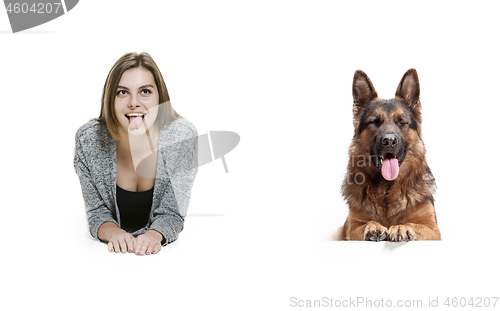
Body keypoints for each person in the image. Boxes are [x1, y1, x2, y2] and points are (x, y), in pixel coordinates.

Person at [74, 52, 198, 255]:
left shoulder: (182, 138)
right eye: (122, 92)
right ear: (110, 99)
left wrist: (153, 235)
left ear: (160, 97)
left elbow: (172, 213)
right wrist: (114, 232)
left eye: (145, 91)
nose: (134, 103)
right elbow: (97, 213)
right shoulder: (89, 141)